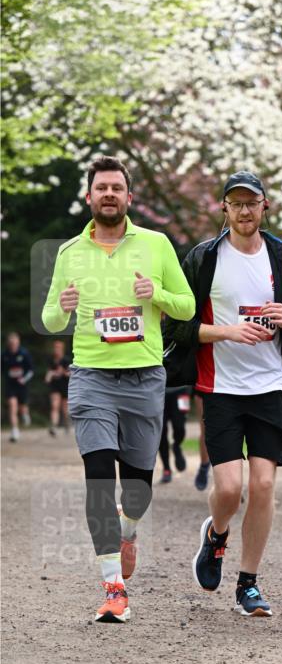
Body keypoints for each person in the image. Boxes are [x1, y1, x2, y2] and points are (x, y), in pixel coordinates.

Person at [42, 155, 195, 623]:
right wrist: (62, 308)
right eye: (101, 188)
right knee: (96, 482)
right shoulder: (70, 252)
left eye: (117, 188)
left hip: (145, 377)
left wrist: (159, 297)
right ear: (89, 197)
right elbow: (50, 319)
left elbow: (187, 307)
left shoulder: (156, 244)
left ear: (129, 197)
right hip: (90, 377)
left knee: (136, 491)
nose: (109, 194)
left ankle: (128, 530)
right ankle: (114, 589)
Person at [163, 169, 282, 617]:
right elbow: (176, 326)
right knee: (230, 488)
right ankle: (215, 535)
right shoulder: (204, 258)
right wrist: (227, 332)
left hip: (269, 385)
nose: (245, 210)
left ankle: (248, 583)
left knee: (264, 484)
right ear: (224, 209)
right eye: (236, 203)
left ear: (264, 206)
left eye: (252, 202)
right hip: (221, 387)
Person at [2, 332, 33, 441]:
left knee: (22, 408)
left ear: (18, 342)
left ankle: (25, 414)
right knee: (12, 406)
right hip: (10, 385)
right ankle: (14, 430)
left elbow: (31, 370)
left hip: (22, 385)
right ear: (8, 344)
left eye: (15, 343)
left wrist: (23, 379)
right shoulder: (4, 355)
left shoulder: (24, 353)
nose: (13, 345)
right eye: (11, 343)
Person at [158, 386, 189, 483]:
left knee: (180, 426)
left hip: (181, 390)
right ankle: (166, 468)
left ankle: (176, 446)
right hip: (158, 392)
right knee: (160, 431)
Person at [44, 339, 71, 435]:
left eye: (58, 348)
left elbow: (70, 374)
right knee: (54, 406)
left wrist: (62, 372)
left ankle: (67, 424)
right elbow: (48, 373)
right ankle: (53, 426)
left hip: (65, 385)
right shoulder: (51, 360)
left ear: (62, 349)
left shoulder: (66, 360)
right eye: (55, 347)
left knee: (65, 409)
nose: (56, 350)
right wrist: (49, 376)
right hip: (55, 386)